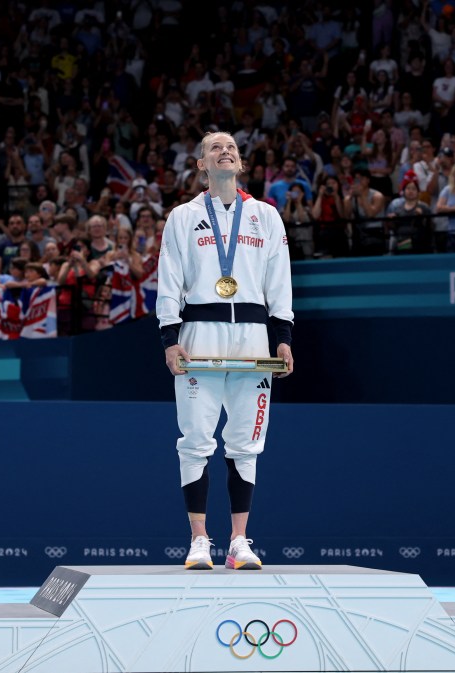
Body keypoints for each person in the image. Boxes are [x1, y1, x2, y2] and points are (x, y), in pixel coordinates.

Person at [157, 131, 294, 571]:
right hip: (199, 335)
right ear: (201, 164)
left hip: (254, 337)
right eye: (215, 148)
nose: (225, 151)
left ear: (240, 163)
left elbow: (280, 282)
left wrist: (284, 336)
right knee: (195, 441)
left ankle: (239, 541)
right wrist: (169, 337)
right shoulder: (182, 217)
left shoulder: (266, 217)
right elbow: (169, 279)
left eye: (231, 147)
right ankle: (199, 540)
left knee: (246, 443)